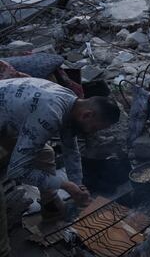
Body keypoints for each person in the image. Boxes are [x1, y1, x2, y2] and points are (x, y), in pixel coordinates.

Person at [0, 77, 120, 220]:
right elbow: (17, 171)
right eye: (94, 128)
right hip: (6, 122)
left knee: (45, 154)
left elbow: (71, 149)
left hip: (6, 120)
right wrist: (65, 185)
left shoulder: (71, 102)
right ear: (87, 115)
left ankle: (51, 209)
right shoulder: (50, 114)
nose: (91, 132)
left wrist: (78, 185)